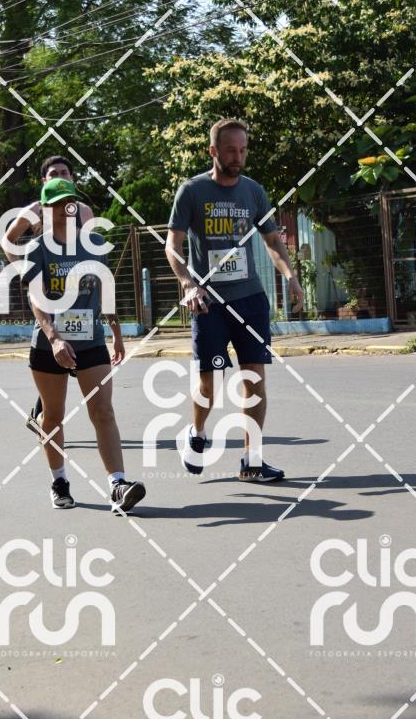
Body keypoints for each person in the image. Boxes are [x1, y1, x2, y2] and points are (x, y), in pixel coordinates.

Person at [165, 118, 304, 482]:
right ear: (213, 151)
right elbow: (172, 245)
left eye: (242, 150)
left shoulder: (253, 191)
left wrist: (290, 277)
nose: (237, 157)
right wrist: (188, 283)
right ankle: (196, 434)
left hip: (250, 299)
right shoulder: (192, 191)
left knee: (254, 380)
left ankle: (251, 461)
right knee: (209, 383)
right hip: (208, 302)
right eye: (230, 150)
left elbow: (272, 240)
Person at [22, 176, 145, 512]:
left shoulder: (94, 244)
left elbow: (105, 290)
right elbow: (36, 299)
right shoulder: (37, 249)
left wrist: (116, 332)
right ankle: (59, 481)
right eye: (57, 204)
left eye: (70, 202)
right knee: (53, 416)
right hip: (49, 346)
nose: (65, 209)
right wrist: (54, 338)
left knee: (103, 411)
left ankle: (118, 485)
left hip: (91, 342)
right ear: (45, 209)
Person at [3, 155, 94, 436]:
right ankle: (45, 417)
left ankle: (43, 414)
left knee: (75, 357)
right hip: (49, 292)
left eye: (65, 172)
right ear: (44, 180)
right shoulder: (34, 210)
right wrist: (25, 269)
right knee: (55, 354)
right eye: (54, 173)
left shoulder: (84, 211)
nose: (60, 176)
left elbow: (89, 249)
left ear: (72, 178)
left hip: (77, 296)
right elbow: (9, 239)